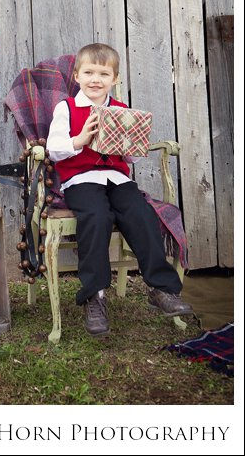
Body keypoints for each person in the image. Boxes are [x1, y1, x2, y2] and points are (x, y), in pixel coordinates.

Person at [46, 42, 192, 337]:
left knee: (140, 212)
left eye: (103, 73)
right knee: (96, 216)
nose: (95, 79)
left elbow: (132, 156)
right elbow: (53, 149)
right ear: (77, 76)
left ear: (114, 79)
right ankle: (94, 295)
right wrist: (80, 139)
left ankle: (161, 289)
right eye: (89, 72)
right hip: (81, 179)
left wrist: (133, 141)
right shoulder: (67, 108)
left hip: (117, 177)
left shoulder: (122, 109)